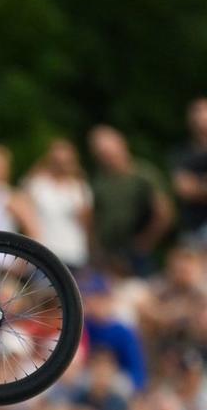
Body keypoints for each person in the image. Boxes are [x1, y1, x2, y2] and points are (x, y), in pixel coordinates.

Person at [88, 125, 173, 276]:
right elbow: (94, 217)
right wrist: (96, 248)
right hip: (109, 254)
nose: (105, 157)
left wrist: (146, 242)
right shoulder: (99, 181)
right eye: (100, 154)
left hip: (137, 252)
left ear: (122, 145)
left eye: (108, 152)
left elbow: (164, 212)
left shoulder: (144, 174)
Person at [24, 139, 93, 271]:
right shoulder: (37, 183)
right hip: (44, 252)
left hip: (74, 253)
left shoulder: (80, 187)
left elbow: (87, 224)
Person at [172, 98, 207, 245]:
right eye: (196, 115)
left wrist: (197, 185)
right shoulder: (182, 154)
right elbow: (183, 190)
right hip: (195, 232)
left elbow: (190, 188)